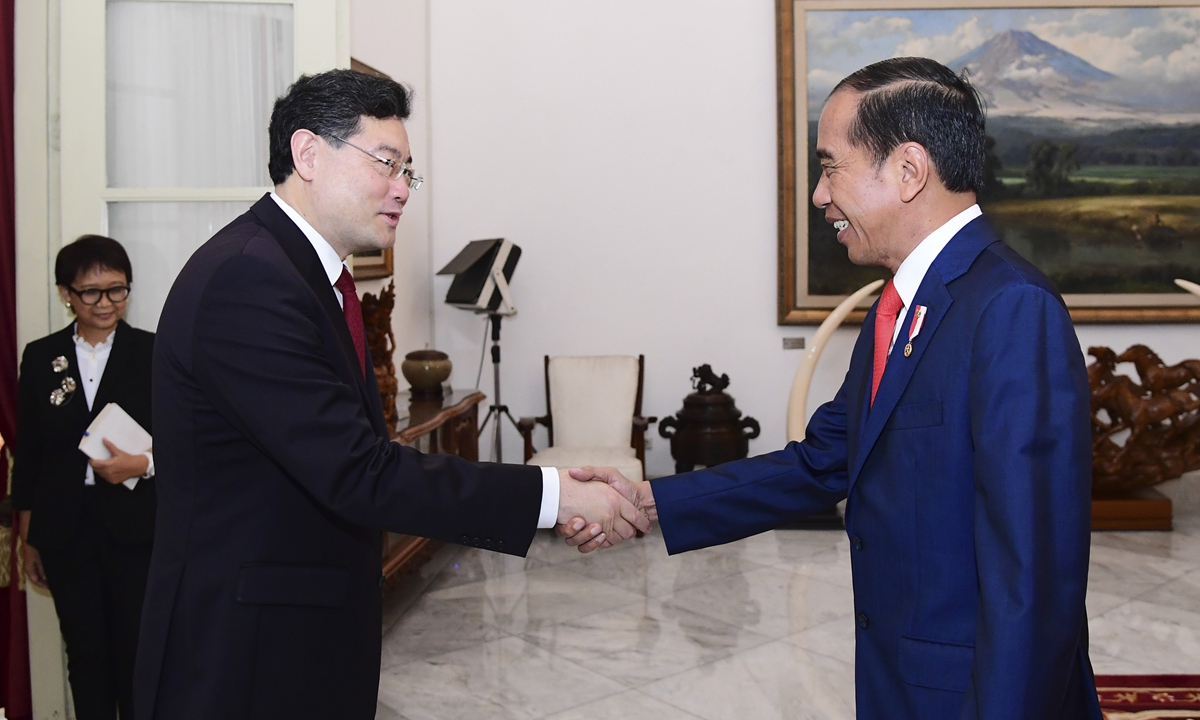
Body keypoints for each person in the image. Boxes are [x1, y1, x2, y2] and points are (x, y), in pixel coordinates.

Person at [563, 57, 1101, 719]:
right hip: (901, 683)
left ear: (907, 170)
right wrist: (649, 504)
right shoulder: (900, 306)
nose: (820, 196)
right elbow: (822, 461)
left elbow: (1035, 577)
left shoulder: (1011, 308)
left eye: (829, 165)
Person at [133, 69, 647, 720]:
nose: (403, 189)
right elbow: (359, 471)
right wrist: (555, 495)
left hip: (295, 639)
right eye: (387, 163)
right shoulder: (249, 280)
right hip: (244, 657)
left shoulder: (299, 275)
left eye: (410, 172)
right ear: (308, 154)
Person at [12, 235, 157, 720]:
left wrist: (144, 464)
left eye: (117, 290)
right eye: (91, 292)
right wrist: (29, 536)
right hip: (65, 530)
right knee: (86, 651)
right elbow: (28, 454)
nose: (107, 303)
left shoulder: (154, 353)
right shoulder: (39, 357)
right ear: (66, 293)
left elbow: (188, 441)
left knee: (135, 653)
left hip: (136, 527)